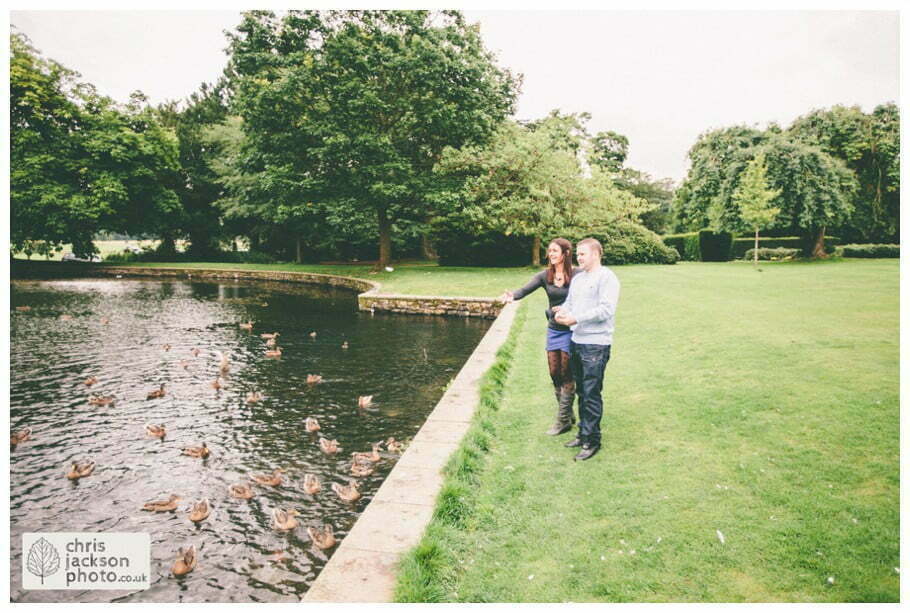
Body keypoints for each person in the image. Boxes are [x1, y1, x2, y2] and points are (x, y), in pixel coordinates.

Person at [500, 238, 579, 436]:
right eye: (549, 251)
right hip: (554, 330)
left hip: (571, 330)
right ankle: (568, 413)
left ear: (566, 253)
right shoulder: (545, 275)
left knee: (567, 373)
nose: (551, 254)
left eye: (555, 251)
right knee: (554, 373)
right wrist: (512, 296)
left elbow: (588, 297)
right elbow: (524, 290)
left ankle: (562, 421)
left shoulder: (578, 275)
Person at [553, 237, 620, 461]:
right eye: (578, 254)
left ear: (595, 254)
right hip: (577, 341)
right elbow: (570, 303)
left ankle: (592, 441)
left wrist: (575, 318)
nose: (578, 258)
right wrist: (561, 312)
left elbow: (605, 310)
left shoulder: (607, 278)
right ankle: (583, 434)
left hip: (596, 345)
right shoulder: (579, 279)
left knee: (591, 393)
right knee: (581, 390)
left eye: (582, 254)